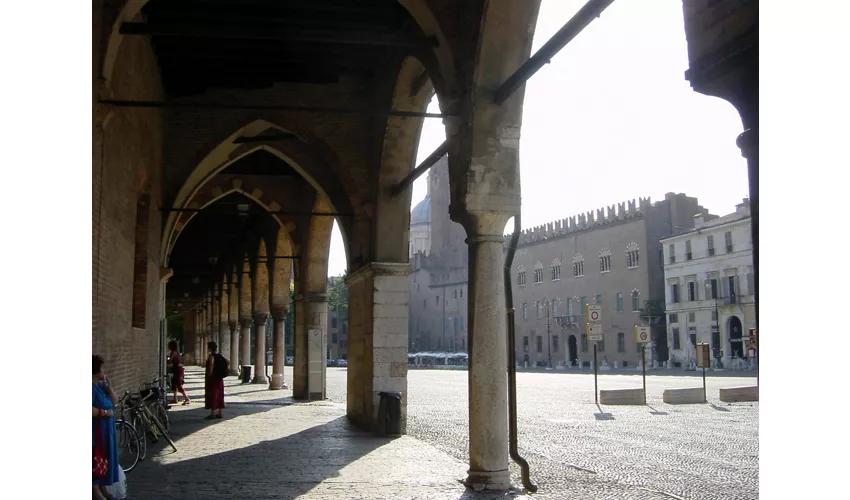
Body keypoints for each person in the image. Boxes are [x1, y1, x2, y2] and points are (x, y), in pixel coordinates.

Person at [92, 354, 120, 500]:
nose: (104, 371)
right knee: (96, 456)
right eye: (102, 368)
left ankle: (103, 485)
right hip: (96, 429)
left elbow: (115, 401)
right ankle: (94, 489)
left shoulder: (102, 385)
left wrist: (109, 389)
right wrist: (104, 413)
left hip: (107, 430)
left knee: (106, 456)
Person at [204, 341, 226, 420]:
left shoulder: (211, 356)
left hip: (213, 378)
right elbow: (227, 362)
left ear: (210, 348)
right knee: (220, 394)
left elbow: (211, 365)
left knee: (213, 394)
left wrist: (210, 373)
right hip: (219, 378)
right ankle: (220, 412)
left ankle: (213, 413)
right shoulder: (220, 355)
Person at [168, 340, 191, 405]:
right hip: (177, 369)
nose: (168, 346)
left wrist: (167, 362)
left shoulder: (173, 352)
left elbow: (170, 361)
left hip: (177, 370)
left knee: (178, 384)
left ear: (172, 346)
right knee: (174, 382)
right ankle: (175, 398)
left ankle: (187, 398)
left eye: (169, 345)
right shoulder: (176, 352)